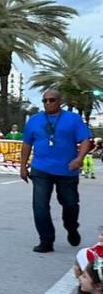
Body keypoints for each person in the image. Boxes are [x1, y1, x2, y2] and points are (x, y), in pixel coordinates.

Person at [21, 88, 93, 253]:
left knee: (70, 205)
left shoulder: (73, 119)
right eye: (45, 100)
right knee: (39, 206)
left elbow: (85, 141)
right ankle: (46, 240)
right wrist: (23, 166)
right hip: (40, 169)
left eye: (52, 100)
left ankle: (71, 227)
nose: (48, 103)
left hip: (67, 170)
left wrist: (79, 159)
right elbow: (26, 144)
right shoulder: (34, 120)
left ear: (60, 101)